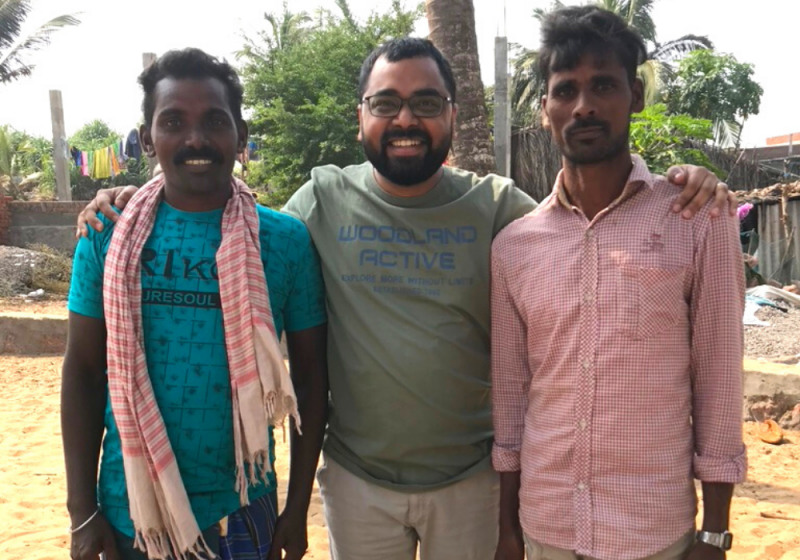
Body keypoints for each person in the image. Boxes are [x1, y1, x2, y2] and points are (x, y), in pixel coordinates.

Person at [75, 38, 734, 560]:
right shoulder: (320, 203)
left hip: (472, 484)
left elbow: (586, 226)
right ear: (360, 114)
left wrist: (684, 181)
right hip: (358, 485)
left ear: (452, 112)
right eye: (385, 102)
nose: (406, 120)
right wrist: (136, 198)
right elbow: (231, 224)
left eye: (426, 101)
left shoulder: (502, 210)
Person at [491, 7, 746, 560]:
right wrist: (508, 528)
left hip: (652, 533)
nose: (583, 105)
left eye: (603, 85)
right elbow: (512, 397)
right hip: (545, 527)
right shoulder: (514, 245)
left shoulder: (696, 218)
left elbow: (719, 382)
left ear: (634, 95)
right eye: (566, 90)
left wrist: (715, 534)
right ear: (544, 111)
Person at [62, 48, 328, 560]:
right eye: (173, 122)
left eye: (214, 121)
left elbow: (314, 381)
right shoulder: (105, 236)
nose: (196, 139)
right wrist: (82, 511)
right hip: (131, 513)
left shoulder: (285, 241)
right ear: (146, 139)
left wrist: (296, 510)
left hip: (244, 511)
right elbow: (82, 371)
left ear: (241, 136)